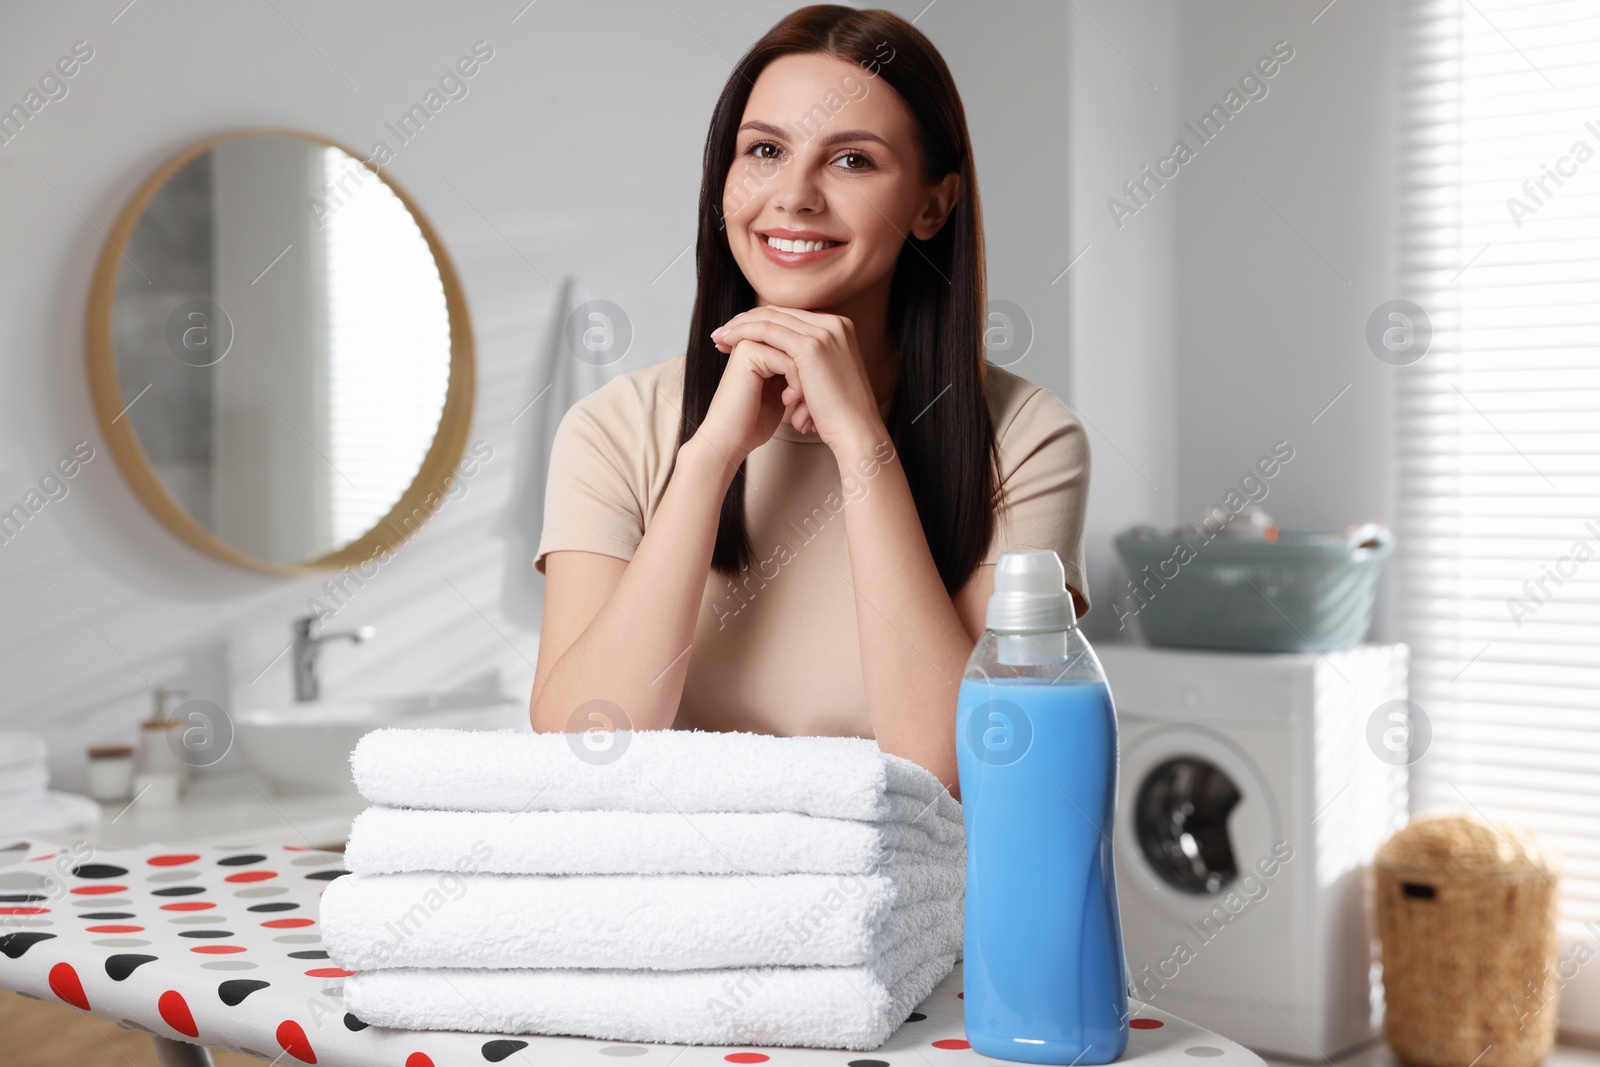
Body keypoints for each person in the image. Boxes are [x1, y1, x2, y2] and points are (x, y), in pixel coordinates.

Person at [529, 4, 1089, 797]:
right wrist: (708, 459)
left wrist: (865, 448)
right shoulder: (615, 430)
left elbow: (950, 768)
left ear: (934, 204)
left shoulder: (1028, 440)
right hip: (674, 908)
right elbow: (583, 744)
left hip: (911, 912)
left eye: (851, 161)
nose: (793, 196)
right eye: (764, 150)